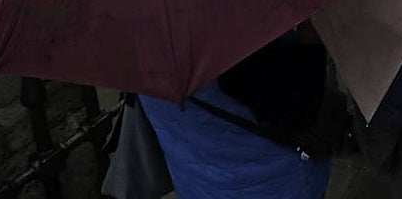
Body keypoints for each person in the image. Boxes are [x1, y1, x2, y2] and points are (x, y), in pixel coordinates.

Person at [137, 26, 337, 198]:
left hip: (194, 181)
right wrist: (311, 39)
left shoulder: (128, 31)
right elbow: (300, 110)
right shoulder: (231, 33)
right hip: (269, 185)